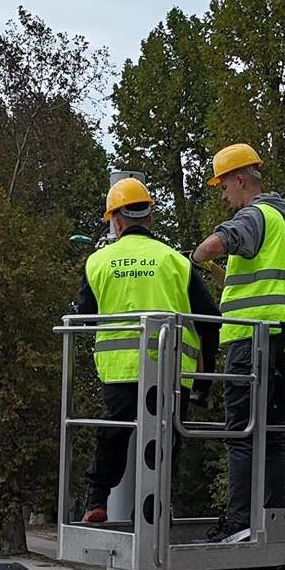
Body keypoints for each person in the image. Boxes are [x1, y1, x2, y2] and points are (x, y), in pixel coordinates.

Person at [168, 144, 285, 570]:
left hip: (253, 343)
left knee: (242, 433)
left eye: (224, 185)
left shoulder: (254, 216)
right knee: (273, 434)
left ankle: (239, 521)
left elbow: (225, 240)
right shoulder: (280, 220)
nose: (223, 194)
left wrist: (192, 258)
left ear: (241, 180)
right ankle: (272, 514)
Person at [74, 177, 219, 524]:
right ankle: (155, 507)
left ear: (116, 221)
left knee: (112, 433)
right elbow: (210, 320)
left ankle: (96, 499)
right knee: (165, 439)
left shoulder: (98, 262)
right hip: (170, 372)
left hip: (120, 371)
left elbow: (85, 318)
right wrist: (203, 382)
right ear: (150, 219)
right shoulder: (176, 261)